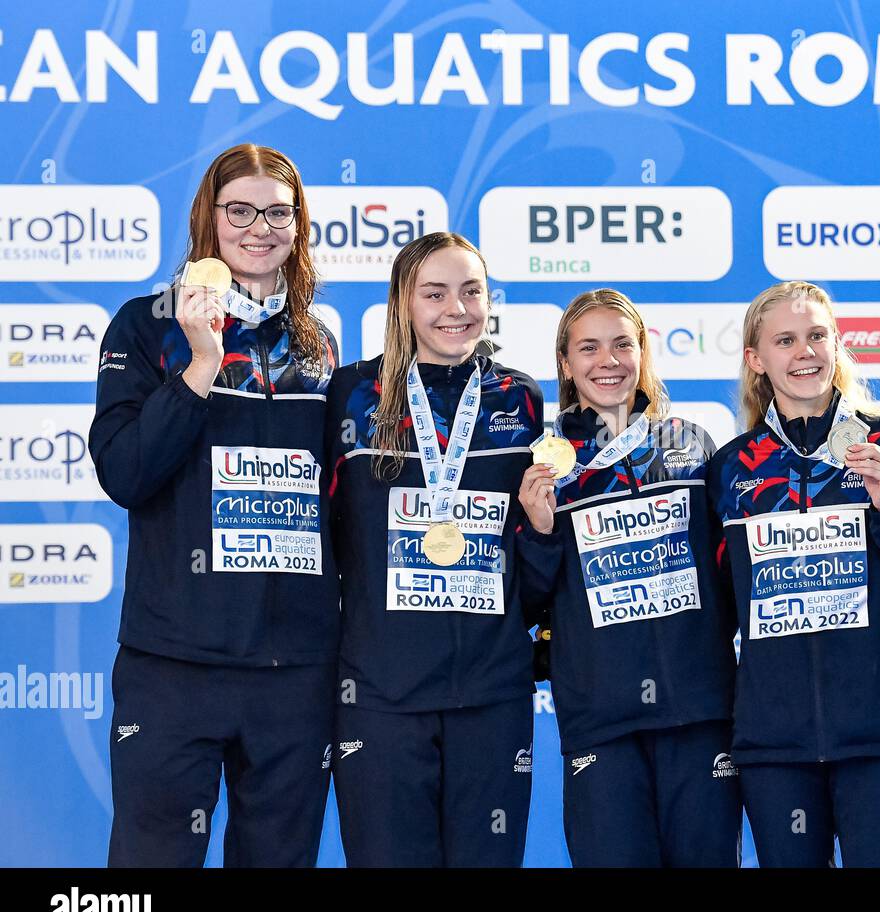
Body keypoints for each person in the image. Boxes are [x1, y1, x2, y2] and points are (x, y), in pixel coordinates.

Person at [89, 143, 340, 866]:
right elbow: (125, 472)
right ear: (208, 217)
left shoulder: (315, 343)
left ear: (299, 226)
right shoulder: (144, 325)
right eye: (240, 209)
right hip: (174, 663)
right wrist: (201, 364)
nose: (260, 227)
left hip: (293, 669)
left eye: (278, 212)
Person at [707, 280, 880, 867]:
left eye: (816, 336)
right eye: (785, 340)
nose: (804, 352)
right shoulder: (729, 471)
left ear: (836, 345)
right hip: (776, 748)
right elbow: (714, 612)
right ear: (756, 359)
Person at [325, 232, 543, 866]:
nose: (457, 308)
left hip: (492, 692)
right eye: (435, 293)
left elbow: (528, 544)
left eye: (471, 291)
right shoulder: (351, 394)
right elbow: (317, 532)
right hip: (380, 693)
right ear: (402, 302)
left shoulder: (520, 398)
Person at [516, 288, 740, 868]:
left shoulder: (692, 445)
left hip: (699, 712)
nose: (607, 361)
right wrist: (539, 533)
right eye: (588, 348)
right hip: (600, 719)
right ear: (565, 364)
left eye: (622, 344)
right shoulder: (544, 462)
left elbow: (730, 578)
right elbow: (525, 604)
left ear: (643, 353)